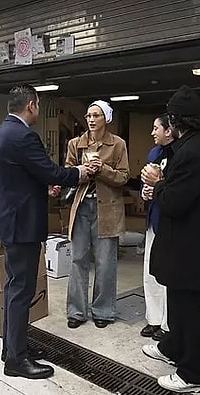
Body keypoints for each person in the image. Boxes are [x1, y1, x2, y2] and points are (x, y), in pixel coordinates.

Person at [0, 84, 93, 380]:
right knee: (21, 291)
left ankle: (11, 348)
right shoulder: (24, 136)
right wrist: (80, 173)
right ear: (32, 105)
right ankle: (17, 361)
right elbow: (49, 170)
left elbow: (24, 174)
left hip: (11, 219)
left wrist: (42, 184)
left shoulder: (0, 133)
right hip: (23, 224)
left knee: (13, 288)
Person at [140, 85, 200, 393]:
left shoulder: (194, 152)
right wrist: (158, 188)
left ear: (176, 122)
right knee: (177, 303)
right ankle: (174, 348)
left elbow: (175, 201)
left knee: (189, 310)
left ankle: (194, 373)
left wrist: (157, 182)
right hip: (184, 247)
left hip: (189, 248)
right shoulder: (192, 147)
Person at [64, 100, 130, 329]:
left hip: (108, 209)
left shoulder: (118, 144)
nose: (91, 120)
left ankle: (103, 310)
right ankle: (76, 311)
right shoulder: (75, 144)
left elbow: (123, 177)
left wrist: (102, 169)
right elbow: (68, 173)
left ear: (106, 119)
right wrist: (83, 171)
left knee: (105, 261)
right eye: (89, 115)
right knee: (78, 259)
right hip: (82, 206)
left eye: (96, 115)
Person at [139, 114, 172, 342]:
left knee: (168, 274)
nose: (152, 132)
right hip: (153, 217)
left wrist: (158, 187)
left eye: (156, 128)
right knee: (150, 270)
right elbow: (147, 182)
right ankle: (153, 318)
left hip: (168, 221)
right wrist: (145, 192)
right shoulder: (154, 153)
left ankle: (168, 324)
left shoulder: (178, 155)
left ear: (168, 130)